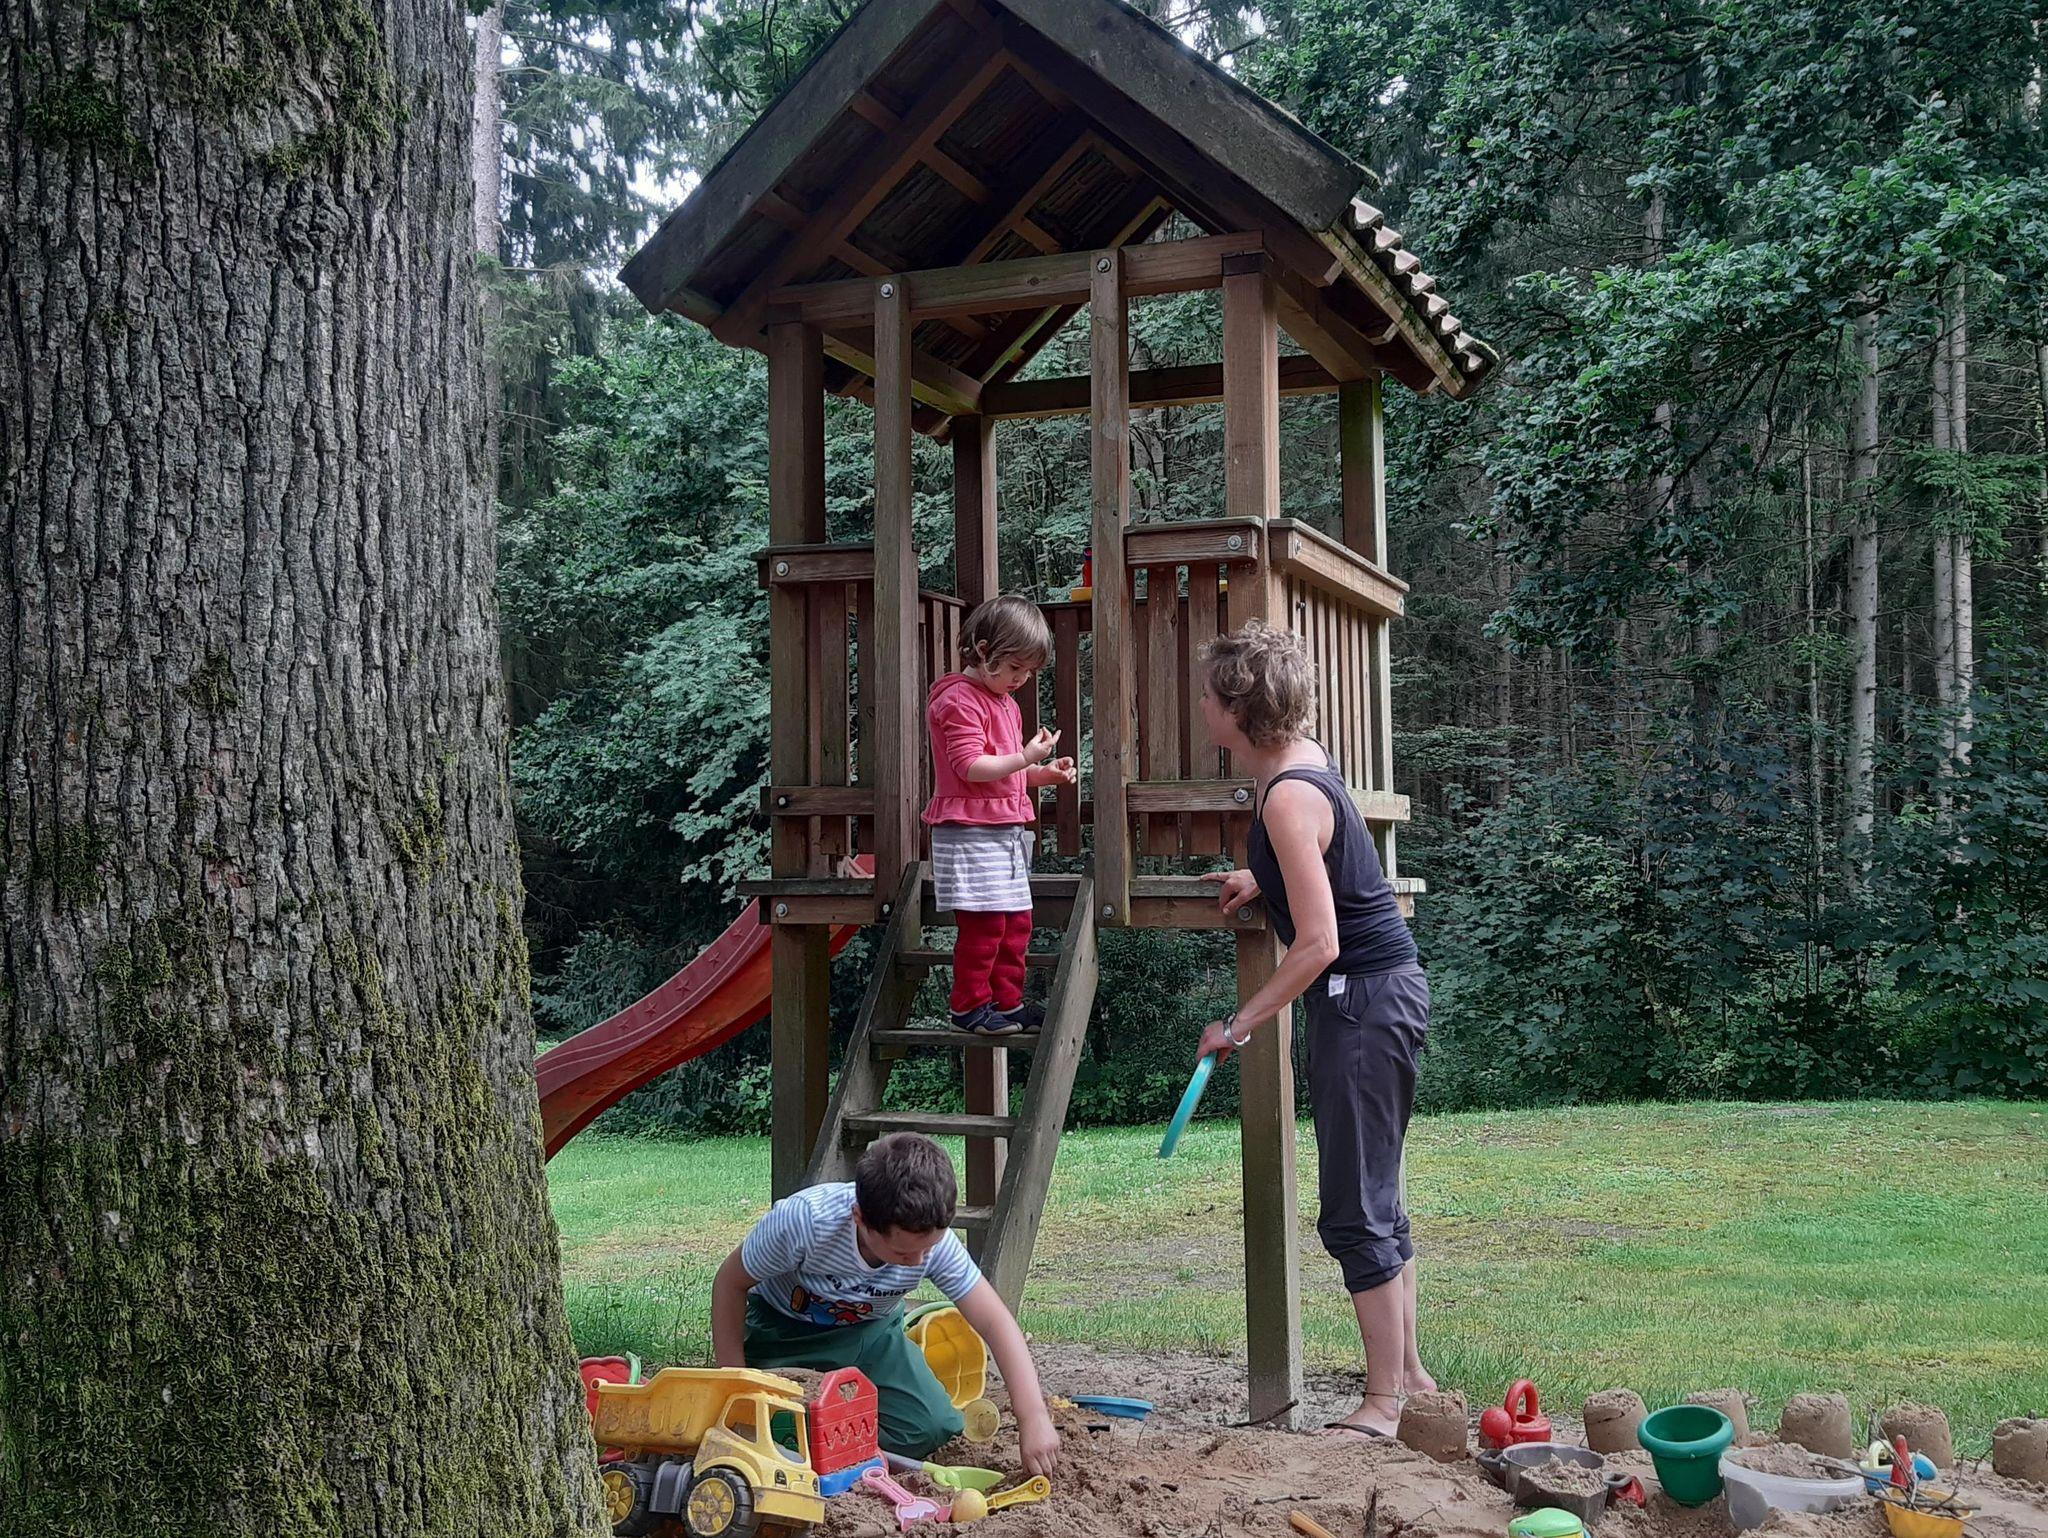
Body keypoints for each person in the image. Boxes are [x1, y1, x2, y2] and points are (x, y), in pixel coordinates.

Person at [1192, 621, 1434, 1441]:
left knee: (1355, 1209)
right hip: (1378, 995)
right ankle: (1411, 1378)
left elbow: (1320, 942)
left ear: (1239, 710)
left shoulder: (1288, 797)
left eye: (1211, 695)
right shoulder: (1302, 765)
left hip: (1362, 999)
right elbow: (1325, 865)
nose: (1202, 706)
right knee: (1376, 1197)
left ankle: (1384, 1404)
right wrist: (1262, 876)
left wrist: (1238, 1025)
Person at [710, 1132, 1061, 1473]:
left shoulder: (932, 1245)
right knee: (766, 1427)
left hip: (871, 1335)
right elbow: (730, 1283)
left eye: (928, 1248)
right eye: (903, 1252)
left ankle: (829, 1437)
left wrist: (1033, 1417)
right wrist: (737, 1384)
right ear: (860, 1219)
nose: (919, 1261)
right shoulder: (805, 1222)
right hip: (783, 1333)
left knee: (933, 1428)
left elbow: (994, 1321)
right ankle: (809, 1434)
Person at [922, 594, 1076, 1035]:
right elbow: (970, 767)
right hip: (969, 832)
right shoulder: (959, 700)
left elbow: (1005, 774)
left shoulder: (1003, 702)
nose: (1021, 679)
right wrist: (1025, 756)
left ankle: (1007, 1004)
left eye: (1029, 671)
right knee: (984, 924)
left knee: (1017, 922)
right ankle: (969, 1008)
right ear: (983, 650)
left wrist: (1043, 773)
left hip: (1002, 833)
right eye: (1014, 668)